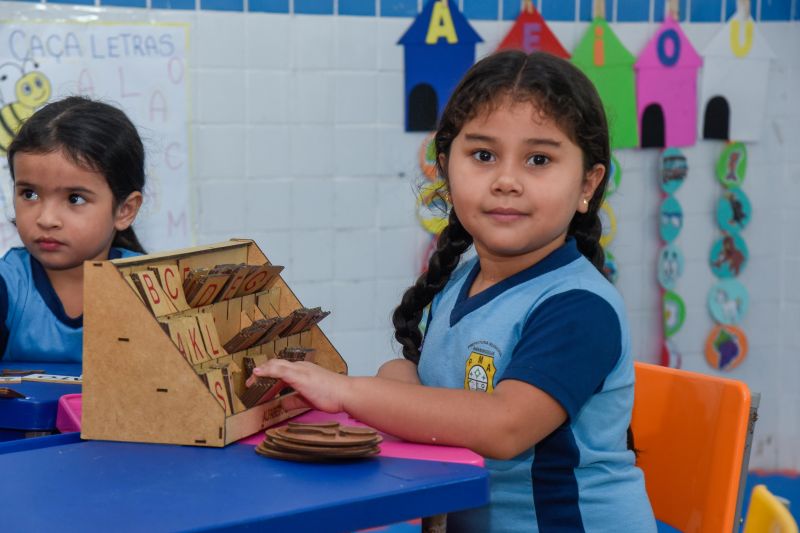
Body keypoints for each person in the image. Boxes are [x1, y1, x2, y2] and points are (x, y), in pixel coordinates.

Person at [248, 50, 656, 531]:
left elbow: (504, 426)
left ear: (588, 183)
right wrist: (395, 380)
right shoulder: (463, 279)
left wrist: (347, 392)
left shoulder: (578, 307)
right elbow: (447, 395)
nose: (506, 180)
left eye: (539, 159)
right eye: (483, 155)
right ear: (445, 168)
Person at [0, 96, 146, 362]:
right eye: (29, 194)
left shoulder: (150, 287)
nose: (46, 219)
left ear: (125, 210)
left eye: (75, 198)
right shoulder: (8, 285)